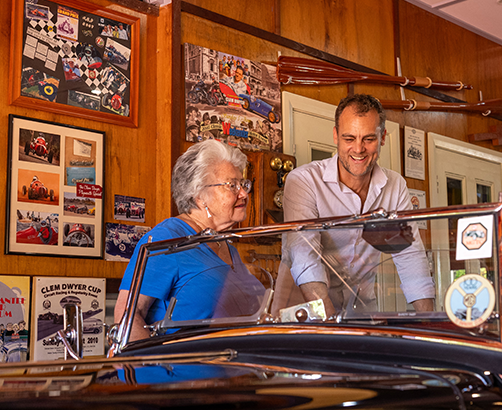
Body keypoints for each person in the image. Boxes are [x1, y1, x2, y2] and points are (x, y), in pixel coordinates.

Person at [278, 94, 435, 317]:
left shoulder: (395, 185)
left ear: (382, 138)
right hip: (304, 309)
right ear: (335, 136)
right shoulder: (303, 181)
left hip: (359, 308)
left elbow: (409, 255)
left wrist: (429, 322)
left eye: (368, 139)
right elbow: (305, 257)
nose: (358, 149)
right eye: (349, 138)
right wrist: (331, 325)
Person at [114, 140, 264, 340]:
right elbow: (127, 318)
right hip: (184, 368)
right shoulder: (167, 239)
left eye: (243, 184)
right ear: (199, 195)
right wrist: (147, 370)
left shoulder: (227, 246)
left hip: (235, 367)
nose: (244, 193)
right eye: (232, 185)